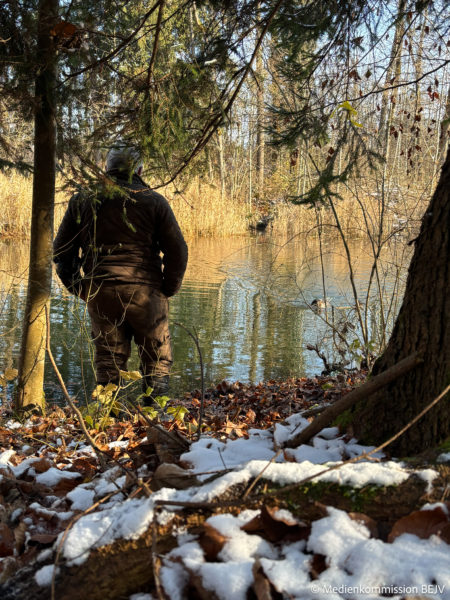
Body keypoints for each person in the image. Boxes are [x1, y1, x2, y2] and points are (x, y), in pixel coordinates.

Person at [53, 145, 188, 398]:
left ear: (107, 167)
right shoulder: (153, 201)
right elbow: (178, 251)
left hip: (101, 291)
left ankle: (107, 419)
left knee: (108, 361)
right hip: (147, 293)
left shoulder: (83, 199)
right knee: (156, 359)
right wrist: (167, 289)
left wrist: (81, 289)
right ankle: (154, 415)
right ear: (140, 170)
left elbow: (61, 251)